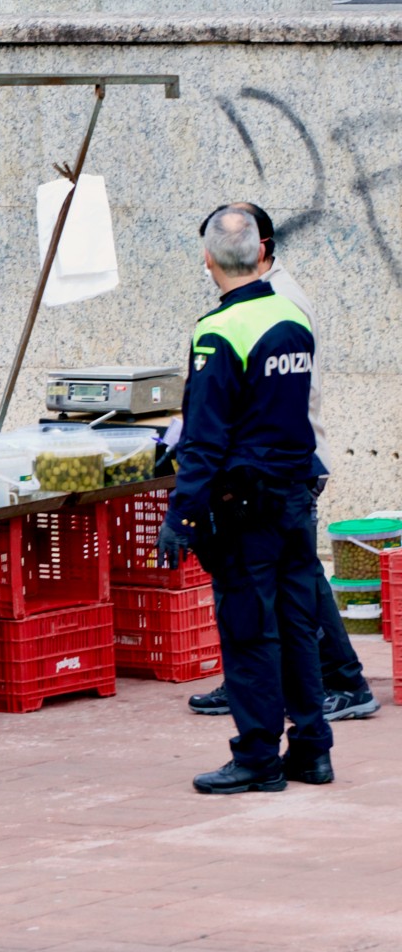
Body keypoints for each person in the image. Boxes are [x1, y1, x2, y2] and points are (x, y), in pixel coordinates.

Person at [157, 207, 330, 794]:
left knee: (251, 631)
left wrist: (180, 514)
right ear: (263, 253)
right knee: (298, 625)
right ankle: (312, 748)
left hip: (246, 506)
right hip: (294, 497)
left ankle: (258, 756)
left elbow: (205, 437)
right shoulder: (291, 317)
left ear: (208, 262)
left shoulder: (217, 332)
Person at [184, 203, 379, 723]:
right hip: (283, 464)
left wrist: (184, 508)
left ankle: (344, 681)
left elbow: (266, 402)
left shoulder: (279, 303)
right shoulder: (259, 302)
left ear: (259, 247)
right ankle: (270, 694)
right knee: (287, 585)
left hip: (280, 469)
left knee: (298, 586)